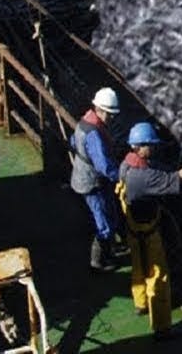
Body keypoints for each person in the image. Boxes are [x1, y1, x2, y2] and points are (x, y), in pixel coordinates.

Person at [116, 122, 182, 339]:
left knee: (138, 267)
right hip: (147, 231)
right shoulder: (145, 177)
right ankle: (162, 328)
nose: (154, 148)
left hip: (132, 226)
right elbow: (174, 180)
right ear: (140, 146)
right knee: (159, 277)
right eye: (150, 145)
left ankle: (140, 303)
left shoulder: (126, 165)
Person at [70, 86, 125, 272]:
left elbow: (73, 142)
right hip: (93, 183)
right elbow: (104, 166)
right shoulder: (94, 133)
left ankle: (110, 247)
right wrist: (123, 177)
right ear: (99, 109)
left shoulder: (84, 122)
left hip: (85, 176)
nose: (112, 118)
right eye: (109, 114)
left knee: (110, 213)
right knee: (105, 224)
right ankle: (99, 261)